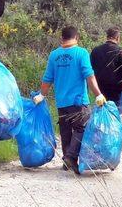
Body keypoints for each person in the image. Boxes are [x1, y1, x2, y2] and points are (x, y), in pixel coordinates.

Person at [33, 26, 106, 174]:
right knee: (82, 128)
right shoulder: (81, 53)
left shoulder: (54, 55)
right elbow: (89, 76)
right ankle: (71, 157)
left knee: (66, 131)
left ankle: (67, 162)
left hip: (62, 102)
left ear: (62, 38)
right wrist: (98, 94)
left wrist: (42, 95)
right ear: (77, 38)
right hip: (78, 102)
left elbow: (47, 79)